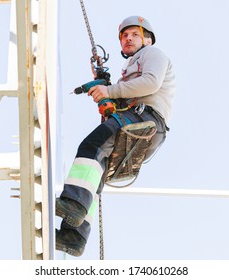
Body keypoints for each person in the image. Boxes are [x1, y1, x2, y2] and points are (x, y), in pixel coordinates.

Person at [55, 15, 176, 257]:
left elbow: (150, 83)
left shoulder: (153, 54)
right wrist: (109, 92)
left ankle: (75, 205)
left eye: (134, 34)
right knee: (95, 173)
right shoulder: (130, 70)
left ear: (148, 39)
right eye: (124, 36)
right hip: (139, 121)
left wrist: (109, 90)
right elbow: (127, 94)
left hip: (146, 118)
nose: (128, 38)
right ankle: (74, 236)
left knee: (91, 145)